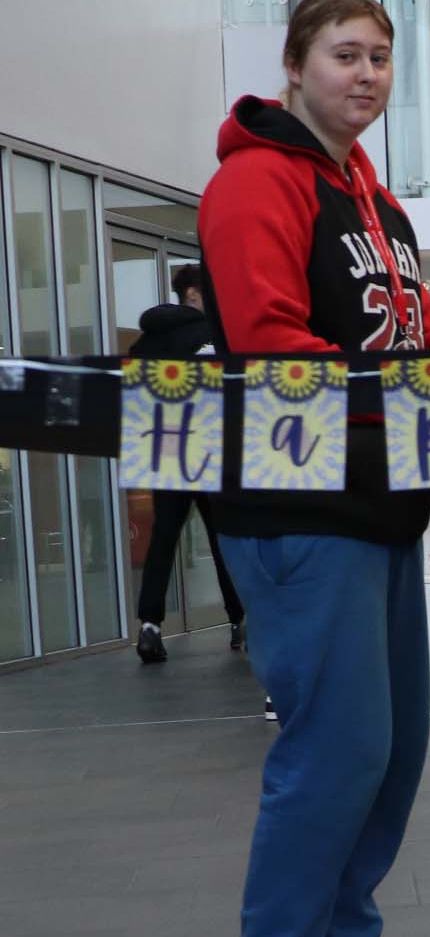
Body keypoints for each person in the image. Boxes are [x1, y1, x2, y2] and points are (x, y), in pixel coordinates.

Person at [198, 0, 430, 937]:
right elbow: (269, 341)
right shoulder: (257, 180)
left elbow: (420, 332)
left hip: (382, 497)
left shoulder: (376, 200)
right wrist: (411, 398)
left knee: (390, 746)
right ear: (296, 64)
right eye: (345, 54)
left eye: (379, 58)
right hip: (297, 501)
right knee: (336, 743)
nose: (365, 74)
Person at [130, 261, 245, 662]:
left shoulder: (144, 343)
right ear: (194, 295)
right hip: (210, 448)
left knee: (163, 537)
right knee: (221, 537)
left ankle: (149, 626)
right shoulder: (211, 335)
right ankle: (238, 621)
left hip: (165, 448)